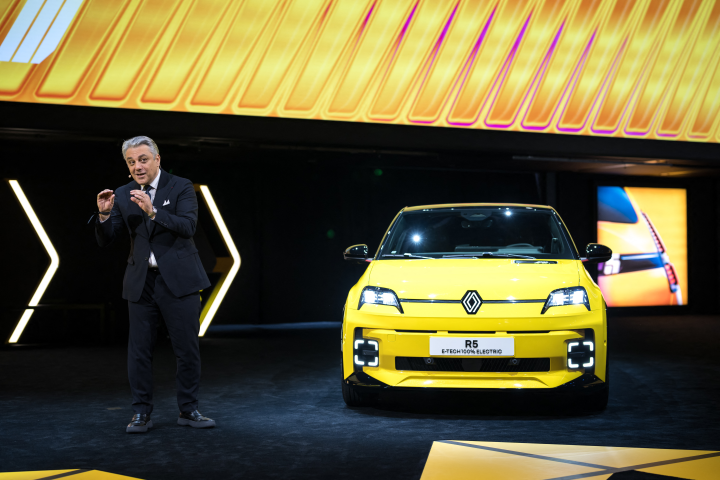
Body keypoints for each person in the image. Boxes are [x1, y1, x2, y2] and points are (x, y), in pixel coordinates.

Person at [95, 136, 215, 433]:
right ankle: (141, 414)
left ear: (157, 159)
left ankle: (188, 411)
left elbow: (188, 226)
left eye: (143, 159)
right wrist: (104, 214)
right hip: (142, 282)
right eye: (131, 162)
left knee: (186, 349)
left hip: (180, 281)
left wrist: (153, 212)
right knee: (139, 352)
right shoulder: (123, 193)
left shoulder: (181, 186)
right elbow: (107, 239)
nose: (137, 166)